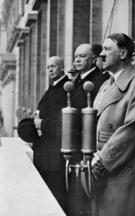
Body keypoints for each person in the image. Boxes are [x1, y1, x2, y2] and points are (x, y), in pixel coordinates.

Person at [91, 33, 135, 216]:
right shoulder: (106, 84)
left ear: (122, 54)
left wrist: (102, 162)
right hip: (99, 166)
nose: (101, 55)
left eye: (107, 49)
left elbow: (132, 129)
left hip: (119, 169)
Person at [18, 56, 70, 214]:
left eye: (54, 66)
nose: (50, 70)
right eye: (48, 67)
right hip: (45, 146)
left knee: (53, 190)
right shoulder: (54, 86)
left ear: (62, 68)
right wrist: (38, 114)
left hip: (53, 149)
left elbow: (62, 117)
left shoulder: (65, 87)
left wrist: (42, 121)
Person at [66, 43, 109, 216]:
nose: (77, 59)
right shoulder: (80, 80)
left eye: (82, 56)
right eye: (76, 55)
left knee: (83, 199)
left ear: (93, 60)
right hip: (75, 144)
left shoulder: (97, 80)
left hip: (85, 145)